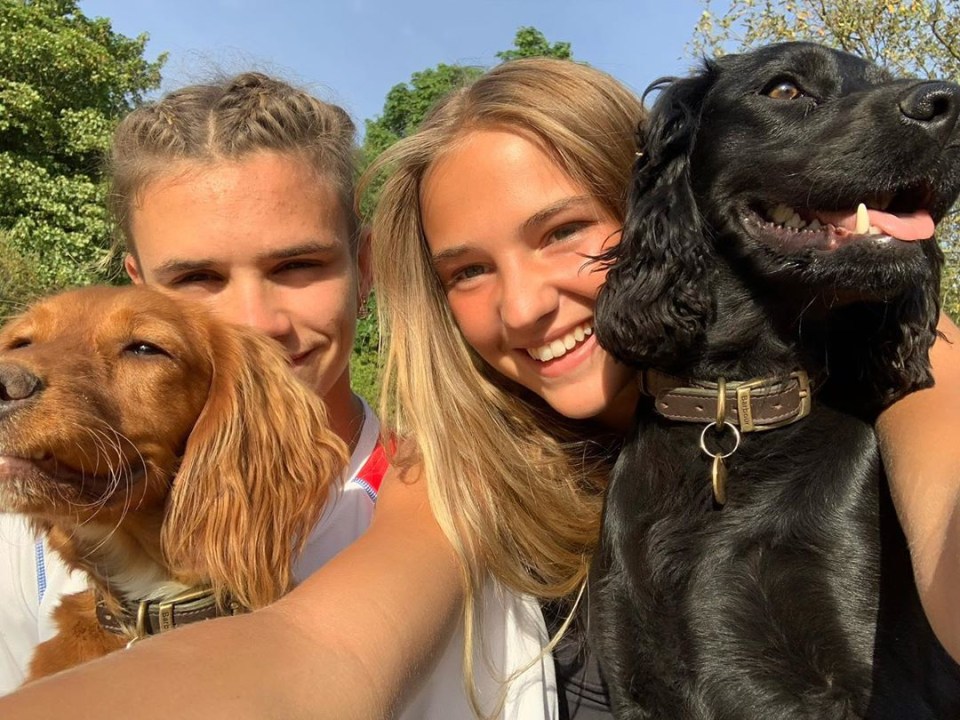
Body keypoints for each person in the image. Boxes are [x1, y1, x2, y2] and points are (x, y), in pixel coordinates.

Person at [3, 57, 960, 720]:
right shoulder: (465, 473)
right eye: (466, 271)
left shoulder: (886, 366)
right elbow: (322, 657)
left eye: (565, 232)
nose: (525, 305)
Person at [0, 71, 555, 719]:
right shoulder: (30, 533)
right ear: (137, 284)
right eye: (196, 277)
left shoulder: (456, 514)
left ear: (365, 266)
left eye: (297, 267)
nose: (257, 321)